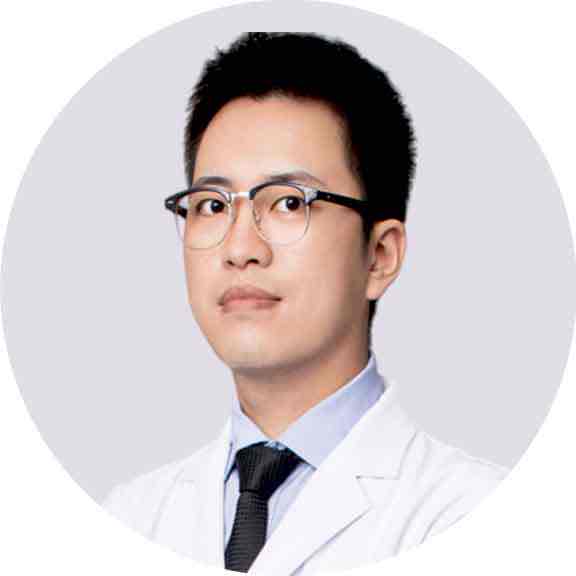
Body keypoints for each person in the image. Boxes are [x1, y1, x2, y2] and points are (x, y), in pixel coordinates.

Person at [103, 32, 508, 574]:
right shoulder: (129, 518)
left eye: (290, 203)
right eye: (212, 205)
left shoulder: (478, 516)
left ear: (379, 256)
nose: (240, 248)